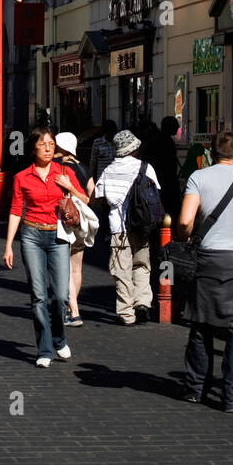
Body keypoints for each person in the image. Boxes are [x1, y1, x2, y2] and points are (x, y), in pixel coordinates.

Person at [177, 130, 233, 414]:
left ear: (211, 153)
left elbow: (184, 220)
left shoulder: (199, 178)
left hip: (207, 259)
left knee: (200, 324)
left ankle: (195, 389)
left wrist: (189, 237)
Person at [3, 128, 88, 368]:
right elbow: (15, 210)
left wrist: (69, 186)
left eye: (52, 144)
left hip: (58, 235)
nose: (49, 148)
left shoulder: (65, 171)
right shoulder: (22, 177)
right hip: (31, 235)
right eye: (44, 145)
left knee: (61, 295)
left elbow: (86, 200)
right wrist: (9, 245)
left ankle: (60, 338)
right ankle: (45, 348)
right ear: (34, 149)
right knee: (39, 296)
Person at [93, 129, 161, 326]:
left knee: (121, 270)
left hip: (118, 228)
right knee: (142, 265)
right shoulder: (145, 168)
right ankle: (142, 302)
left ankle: (127, 312)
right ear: (135, 148)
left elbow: (98, 197)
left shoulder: (109, 170)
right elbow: (156, 193)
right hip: (142, 226)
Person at [55, 131, 95, 327]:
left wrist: (70, 189)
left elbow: (80, 196)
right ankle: (73, 309)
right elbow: (91, 192)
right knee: (76, 268)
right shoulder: (83, 167)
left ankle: (74, 311)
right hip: (82, 222)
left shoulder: (60, 168)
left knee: (65, 269)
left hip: (66, 221)